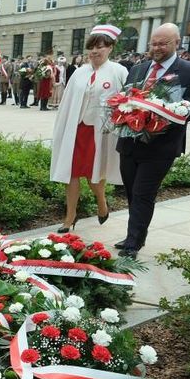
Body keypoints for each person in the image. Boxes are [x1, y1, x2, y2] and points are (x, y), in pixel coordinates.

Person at [115, 23, 190, 257]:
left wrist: (168, 111)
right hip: (129, 141)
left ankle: (134, 242)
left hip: (160, 145)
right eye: (154, 43)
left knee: (144, 193)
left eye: (163, 43)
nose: (157, 47)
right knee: (131, 191)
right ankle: (133, 234)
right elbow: (126, 96)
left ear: (177, 43)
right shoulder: (138, 69)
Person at [47, 25, 126, 232]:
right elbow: (67, 102)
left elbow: (126, 102)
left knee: (94, 174)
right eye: (91, 47)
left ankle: (102, 203)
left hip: (98, 133)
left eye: (100, 47)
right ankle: (70, 216)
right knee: (71, 174)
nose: (94, 51)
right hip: (76, 130)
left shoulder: (119, 71)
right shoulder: (80, 73)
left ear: (110, 48)